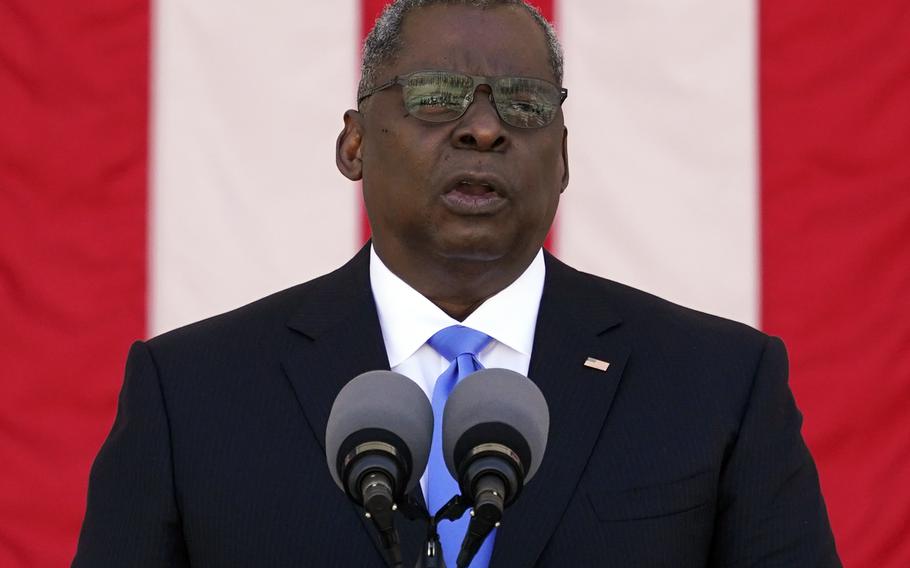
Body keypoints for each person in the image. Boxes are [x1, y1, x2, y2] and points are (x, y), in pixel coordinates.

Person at [73, 1, 841, 566]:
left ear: (563, 158)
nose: (483, 128)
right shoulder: (193, 393)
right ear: (352, 143)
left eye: (525, 104)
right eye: (436, 96)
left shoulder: (717, 384)